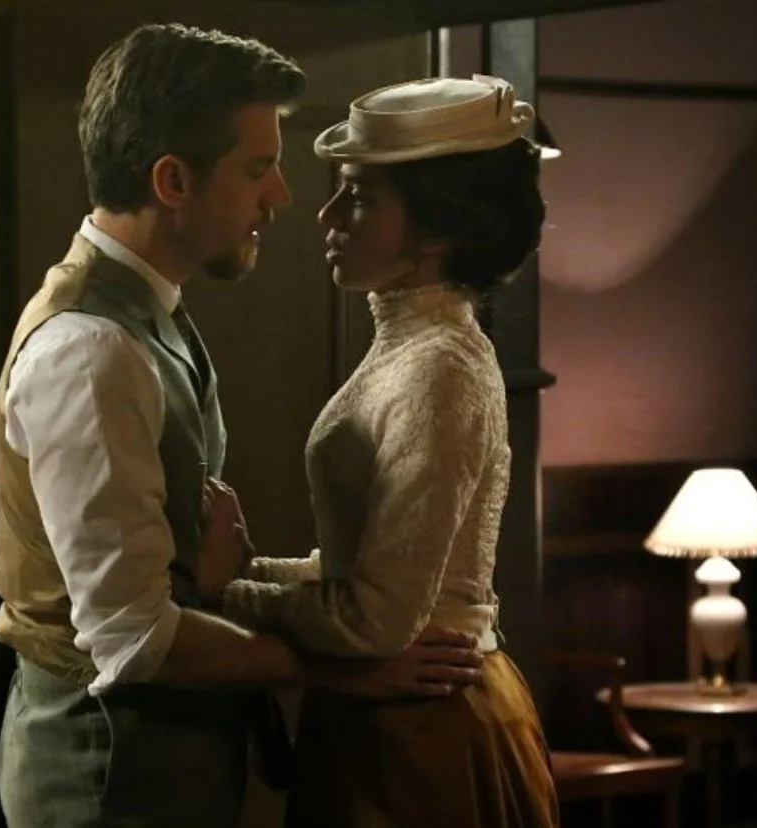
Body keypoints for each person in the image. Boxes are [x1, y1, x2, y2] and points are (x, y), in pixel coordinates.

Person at [0, 24, 485, 828]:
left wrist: (231, 575)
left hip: (168, 764)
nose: (281, 196)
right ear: (173, 180)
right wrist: (340, 672)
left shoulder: (149, 315)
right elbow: (134, 638)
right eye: (257, 168)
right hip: (108, 779)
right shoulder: (92, 350)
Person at [199, 75, 561, 827]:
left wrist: (230, 592)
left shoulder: (439, 367)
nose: (327, 214)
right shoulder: (414, 346)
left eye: (359, 198)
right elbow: (374, 569)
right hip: (395, 717)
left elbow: (376, 620)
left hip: (423, 730)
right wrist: (253, 572)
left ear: (435, 230)